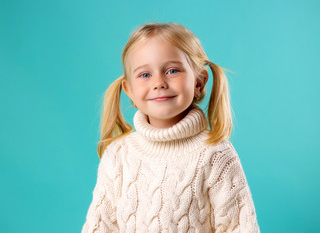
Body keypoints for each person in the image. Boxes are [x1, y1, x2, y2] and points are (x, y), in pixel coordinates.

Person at [81, 22, 260, 232]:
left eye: (172, 70)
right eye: (145, 75)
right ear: (129, 91)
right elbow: (99, 226)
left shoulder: (216, 154)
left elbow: (239, 227)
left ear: (199, 83)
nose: (159, 82)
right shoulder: (118, 154)